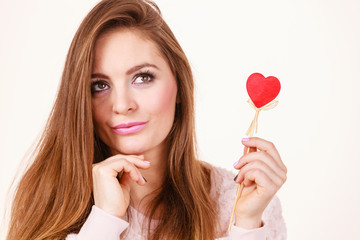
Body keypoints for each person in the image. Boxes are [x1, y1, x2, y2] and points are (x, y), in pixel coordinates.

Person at [6, 0, 287, 239]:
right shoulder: (49, 199)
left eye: (143, 77)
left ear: (178, 84)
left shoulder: (245, 203)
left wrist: (247, 225)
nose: (122, 105)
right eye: (99, 86)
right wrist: (103, 221)